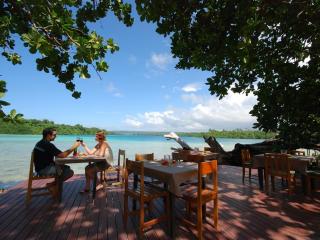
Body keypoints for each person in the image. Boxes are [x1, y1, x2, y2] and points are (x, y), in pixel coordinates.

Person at [33, 127, 81, 196]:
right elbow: (62, 155)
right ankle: (53, 186)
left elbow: (58, 154)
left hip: (39, 168)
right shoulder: (48, 145)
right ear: (48, 135)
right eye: (54, 135)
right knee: (69, 172)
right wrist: (74, 147)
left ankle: (53, 186)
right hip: (44, 169)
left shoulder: (40, 143)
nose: (56, 136)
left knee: (66, 168)